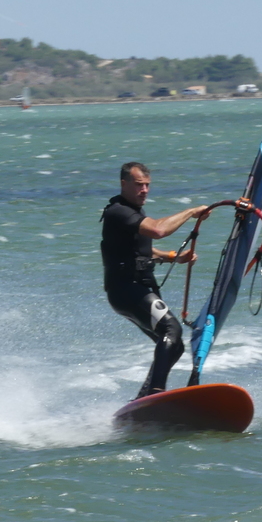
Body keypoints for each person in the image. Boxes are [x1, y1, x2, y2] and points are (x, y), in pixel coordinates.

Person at [101, 162, 209, 399]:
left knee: (174, 345)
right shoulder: (118, 212)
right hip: (125, 289)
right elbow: (158, 230)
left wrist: (173, 257)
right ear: (124, 184)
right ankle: (156, 391)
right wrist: (191, 212)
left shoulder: (134, 213)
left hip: (137, 288)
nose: (145, 190)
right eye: (139, 185)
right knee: (171, 329)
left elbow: (141, 249)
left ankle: (143, 398)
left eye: (147, 185)